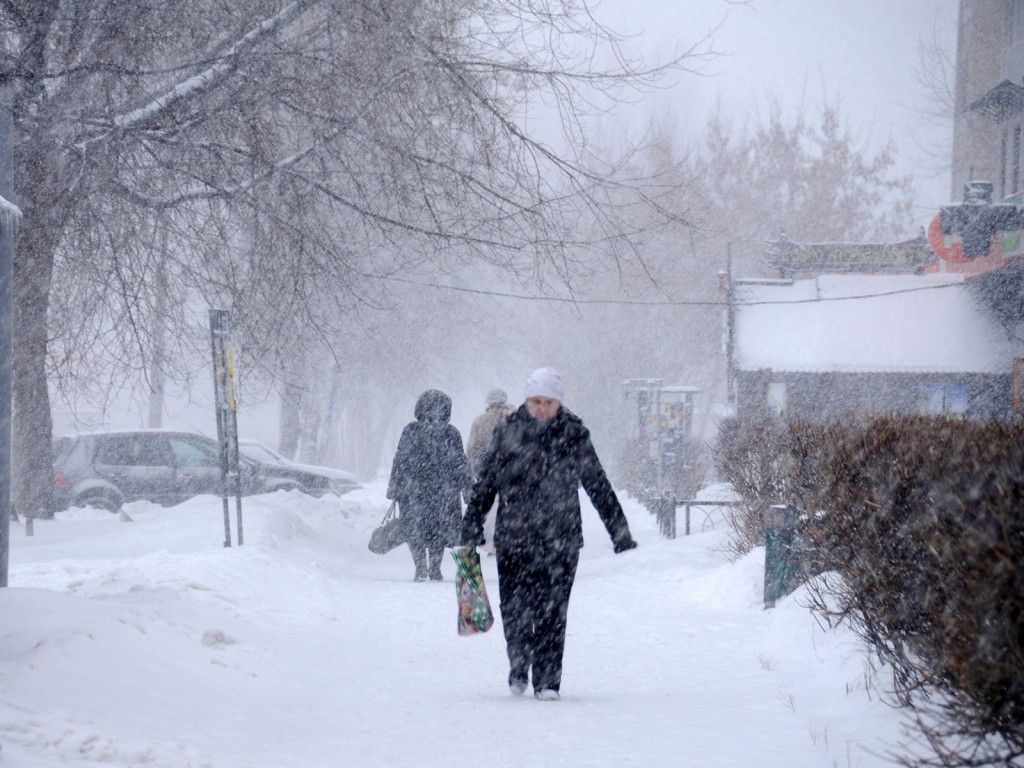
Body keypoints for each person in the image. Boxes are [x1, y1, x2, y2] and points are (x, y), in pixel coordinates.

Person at [461, 367, 637, 701]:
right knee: (514, 609)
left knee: (553, 612)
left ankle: (547, 682)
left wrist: (620, 533)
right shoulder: (507, 433)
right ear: (527, 400)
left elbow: (597, 483)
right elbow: (486, 485)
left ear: (559, 402)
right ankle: (518, 663)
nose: (542, 408)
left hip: (561, 539)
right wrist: (471, 526)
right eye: (536, 401)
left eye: (549, 402)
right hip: (514, 538)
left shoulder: (574, 434)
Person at [387, 389, 472, 582]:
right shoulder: (439, 432)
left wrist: (468, 488)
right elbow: (400, 459)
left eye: (439, 409)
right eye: (433, 408)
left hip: (426, 490)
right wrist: (395, 485)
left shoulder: (422, 431)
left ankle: (429, 568)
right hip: (430, 490)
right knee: (427, 530)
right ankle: (426, 568)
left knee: (428, 530)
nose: (436, 413)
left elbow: (460, 462)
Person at [465, 388, 511, 553]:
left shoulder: (479, 421)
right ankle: (502, 539)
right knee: (506, 505)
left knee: (488, 507)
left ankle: (490, 540)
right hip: (509, 470)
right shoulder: (513, 418)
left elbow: (471, 450)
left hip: (486, 470)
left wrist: (475, 469)